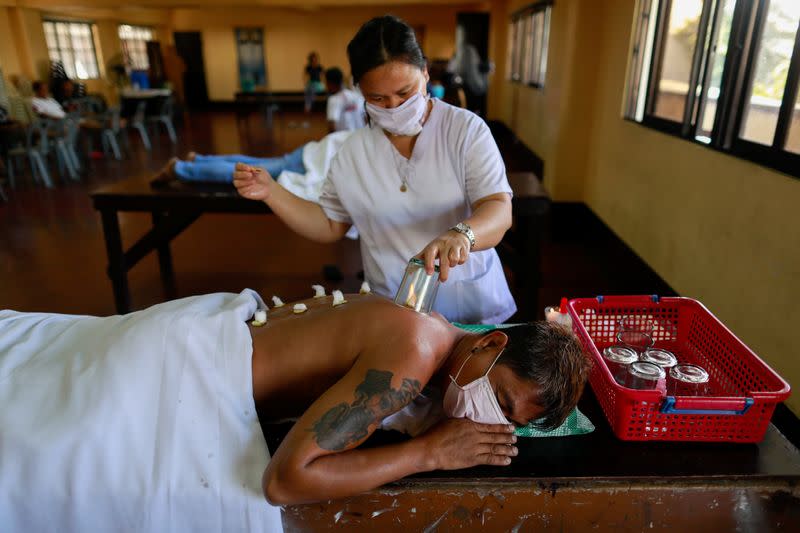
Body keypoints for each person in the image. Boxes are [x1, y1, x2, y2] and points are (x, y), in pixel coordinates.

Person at [0, 288, 588, 512]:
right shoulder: (414, 353)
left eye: (510, 419)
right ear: (490, 341)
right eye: (501, 397)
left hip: (190, 337)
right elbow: (286, 481)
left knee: (34, 367)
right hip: (173, 374)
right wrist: (429, 454)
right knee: (38, 445)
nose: (489, 414)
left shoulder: (435, 334)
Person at [234, 16, 517, 324]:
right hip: (395, 306)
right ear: (360, 92)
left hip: (470, 304)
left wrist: (463, 234)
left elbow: (498, 208)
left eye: (405, 93)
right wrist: (272, 193)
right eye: (378, 98)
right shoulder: (353, 152)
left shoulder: (464, 130)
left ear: (425, 73)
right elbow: (330, 223)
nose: (394, 107)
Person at [154, 130, 354, 185]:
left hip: (315, 153)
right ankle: (180, 169)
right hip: (312, 162)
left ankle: (199, 160)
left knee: (252, 162)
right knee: (248, 172)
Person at [325, 67, 366, 132]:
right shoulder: (357, 96)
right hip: (360, 137)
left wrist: (330, 140)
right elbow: (365, 118)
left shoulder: (334, 99)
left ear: (329, 83)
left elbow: (332, 126)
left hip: (344, 140)